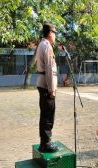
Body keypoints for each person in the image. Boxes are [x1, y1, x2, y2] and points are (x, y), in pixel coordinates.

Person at [36, 23, 59, 153]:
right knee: (48, 114)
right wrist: (52, 89)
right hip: (46, 85)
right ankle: (46, 143)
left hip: (43, 83)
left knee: (45, 114)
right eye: (54, 33)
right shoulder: (47, 46)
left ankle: (44, 142)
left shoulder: (42, 44)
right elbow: (50, 69)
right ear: (50, 33)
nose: (55, 36)